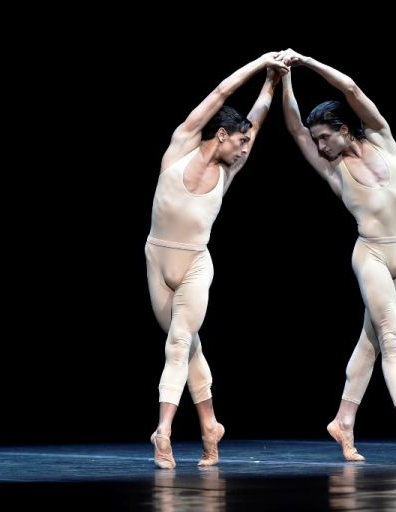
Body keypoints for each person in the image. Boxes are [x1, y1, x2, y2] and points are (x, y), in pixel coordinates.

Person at [278, 48, 396, 462]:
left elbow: (353, 89)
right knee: (391, 339)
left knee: (371, 341)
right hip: (371, 254)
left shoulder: (382, 138)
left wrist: (307, 61)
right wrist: (286, 78)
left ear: (344, 129)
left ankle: (343, 420)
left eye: (324, 137)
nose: (319, 146)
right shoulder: (332, 169)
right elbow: (295, 129)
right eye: (317, 140)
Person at [146, 53, 287, 469]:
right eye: (240, 140)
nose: (245, 148)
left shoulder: (230, 170)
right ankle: (211, 426)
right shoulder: (180, 147)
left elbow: (255, 121)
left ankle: (163, 432)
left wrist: (271, 83)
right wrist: (260, 63)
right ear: (221, 134)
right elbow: (221, 92)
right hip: (157, 261)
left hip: (195, 265)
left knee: (178, 343)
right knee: (189, 346)